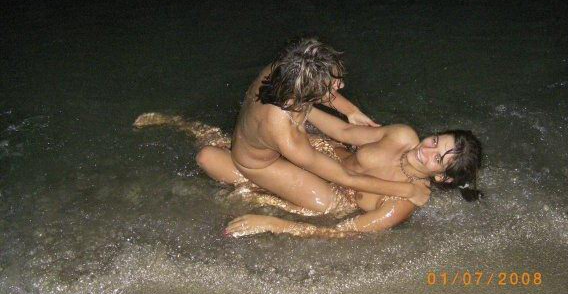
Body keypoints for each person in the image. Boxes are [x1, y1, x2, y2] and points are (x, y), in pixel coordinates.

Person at [195, 38, 432, 216]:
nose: (341, 86)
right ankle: (256, 190)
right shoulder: (286, 134)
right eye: (334, 85)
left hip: (260, 137)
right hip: (259, 164)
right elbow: (346, 177)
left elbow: (314, 85)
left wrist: (349, 110)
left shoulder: (281, 72)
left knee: (325, 150)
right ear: (308, 93)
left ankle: (219, 154)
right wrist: (408, 191)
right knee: (330, 205)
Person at [223, 107, 483, 237]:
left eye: (437, 158)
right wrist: (302, 106)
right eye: (435, 141)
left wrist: (272, 224)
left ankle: (262, 188)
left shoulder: (400, 205)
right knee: (228, 143)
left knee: (210, 158)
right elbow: (344, 132)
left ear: (442, 177)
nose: (426, 149)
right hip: (323, 154)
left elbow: (340, 233)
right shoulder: (403, 136)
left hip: (324, 196)